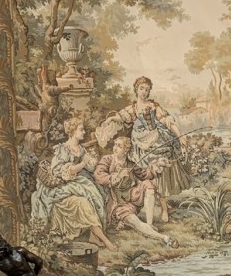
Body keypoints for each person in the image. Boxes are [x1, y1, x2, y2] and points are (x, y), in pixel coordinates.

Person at [30, 115, 114, 251]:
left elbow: (89, 168)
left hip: (77, 183)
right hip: (62, 187)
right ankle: (104, 239)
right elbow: (60, 172)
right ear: (73, 131)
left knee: (99, 196)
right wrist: (83, 162)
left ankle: (94, 236)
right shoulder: (63, 149)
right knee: (84, 203)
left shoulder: (81, 149)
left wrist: (92, 160)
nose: (84, 132)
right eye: (81, 130)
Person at [117, 77, 190, 218]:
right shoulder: (132, 108)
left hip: (156, 142)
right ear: (136, 89)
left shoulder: (153, 106)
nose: (144, 92)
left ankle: (164, 208)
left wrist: (180, 136)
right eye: (141, 89)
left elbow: (167, 121)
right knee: (144, 174)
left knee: (159, 174)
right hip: (139, 145)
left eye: (147, 89)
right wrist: (109, 120)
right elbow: (120, 117)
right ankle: (146, 202)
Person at [93, 136, 178, 247]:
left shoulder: (130, 164)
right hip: (117, 203)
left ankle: (149, 224)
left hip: (132, 198)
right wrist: (117, 176)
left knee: (149, 185)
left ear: (126, 150)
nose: (115, 148)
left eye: (119, 146)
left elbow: (145, 174)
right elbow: (98, 175)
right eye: (115, 145)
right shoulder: (107, 160)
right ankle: (165, 238)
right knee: (136, 222)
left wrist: (157, 165)